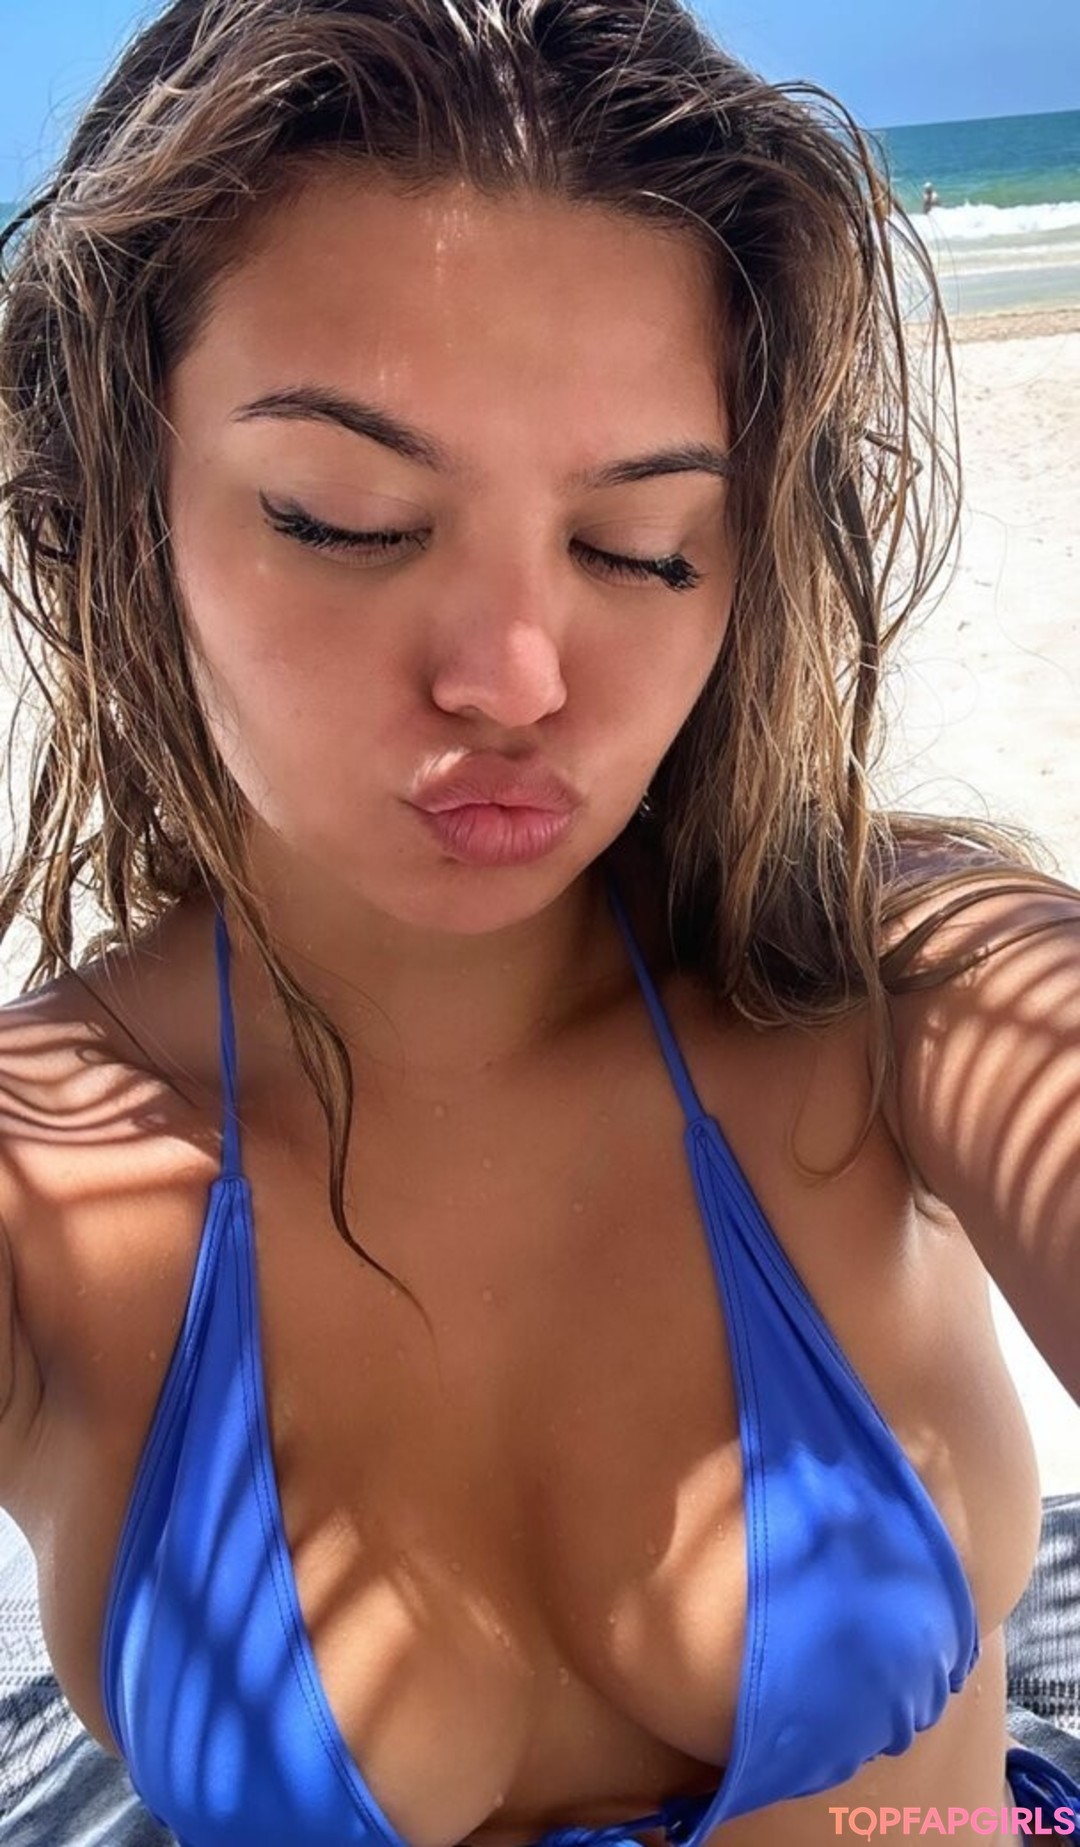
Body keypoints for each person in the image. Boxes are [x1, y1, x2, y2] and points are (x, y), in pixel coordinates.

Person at [0, 1, 1077, 1843]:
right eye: (345, 519)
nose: (512, 678)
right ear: (121, 507)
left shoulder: (890, 981)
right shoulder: (51, 1173)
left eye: (641, 546)